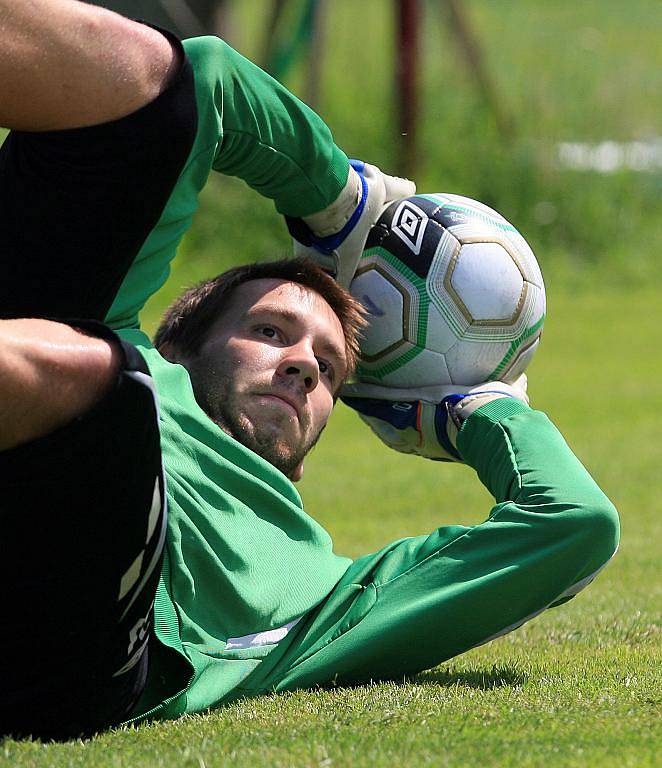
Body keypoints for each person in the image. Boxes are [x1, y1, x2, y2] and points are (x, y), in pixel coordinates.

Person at [0, 1, 619, 740]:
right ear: (181, 344)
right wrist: (336, 199)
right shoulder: (134, 349)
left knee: (95, 377)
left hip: (79, 656)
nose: (301, 364)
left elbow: (574, 525)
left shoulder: (329, 594)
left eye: (328, 369)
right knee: (149, 87)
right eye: (269, 331)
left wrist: (476, 409)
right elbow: (213, 77)